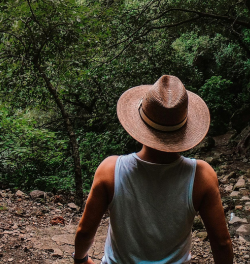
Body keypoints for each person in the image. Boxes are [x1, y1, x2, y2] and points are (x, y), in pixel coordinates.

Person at [72, 75, 233, 264]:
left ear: (140, 125)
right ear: (184, 130)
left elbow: (84, 232)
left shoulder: (110, 170)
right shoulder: (201, 176)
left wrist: (81, 259)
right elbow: (221, 243)